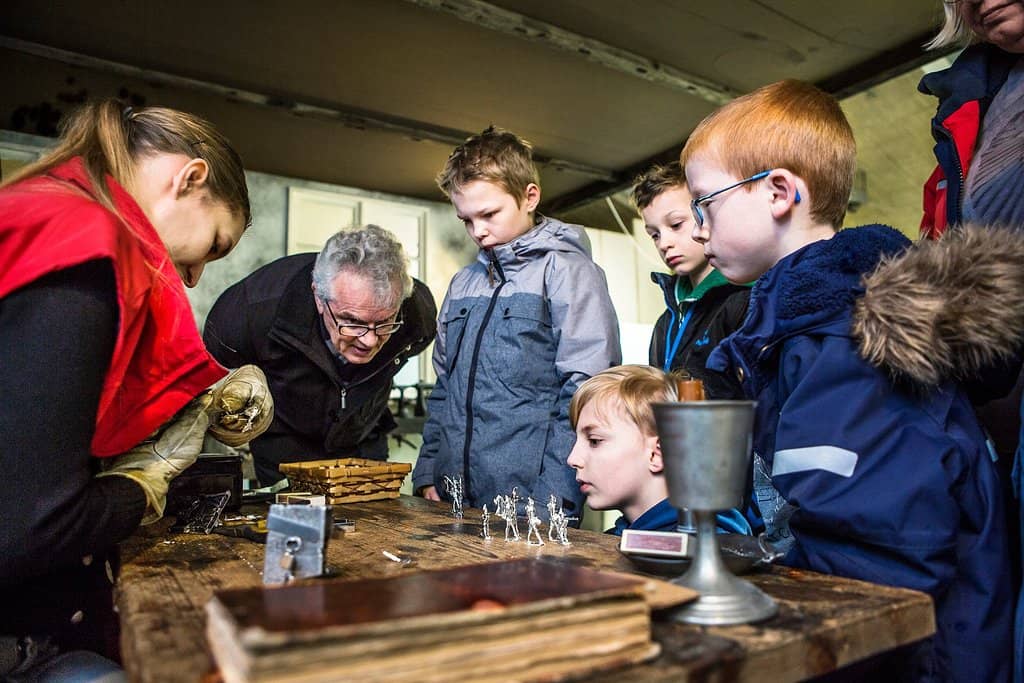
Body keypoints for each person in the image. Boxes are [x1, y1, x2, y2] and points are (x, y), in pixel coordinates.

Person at [681, 79, 1012, 681]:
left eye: (706, 203)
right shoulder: (796, 334)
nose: (698, 229)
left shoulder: (844, 343)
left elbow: (871, 564)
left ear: (779, 192)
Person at [0, 100, 271, 679]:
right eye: (215, 245)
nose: (194, 276)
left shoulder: (43, 210)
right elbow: (29, 528)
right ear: (189, 179)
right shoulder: (84, 242)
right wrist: (141, 485)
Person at [412, 126, 620, 520]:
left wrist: (553, 498)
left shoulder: (569, 273)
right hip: (453, 499)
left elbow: (585, 396)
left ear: (529, 196)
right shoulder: (463, 283)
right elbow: (444, 389)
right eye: (466, 219)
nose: (478, 231)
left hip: (531, 504)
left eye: (489, 214)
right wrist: (428, 473)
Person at [204, 225, 437, 486]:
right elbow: (212, 376)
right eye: (353, 322)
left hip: (364, 437)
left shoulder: (418, 315)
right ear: (318, 296)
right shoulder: (250, 310)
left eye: (384, 322)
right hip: (285, 444)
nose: (370, 340)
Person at [567, 365, 751, 535]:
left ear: (657, 454)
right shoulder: (618, 539)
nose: (572, 459)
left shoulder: (709, 550)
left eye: (594, 441)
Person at [632, 162, 749, 399]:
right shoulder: (665, 323)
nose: (664, 243)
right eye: (654, 235)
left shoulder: (744, 301)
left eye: (676, 225)